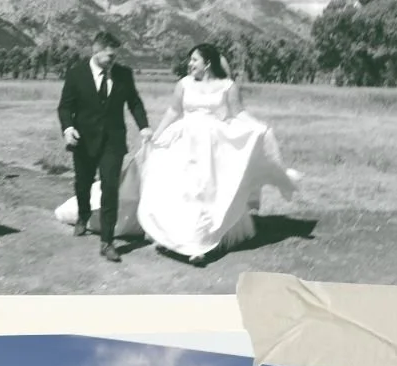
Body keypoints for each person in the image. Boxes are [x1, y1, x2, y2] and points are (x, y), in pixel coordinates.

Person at [135, 43, 298, 262]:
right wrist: (158, 134)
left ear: (207, 63)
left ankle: (201, 244)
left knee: (207, 192)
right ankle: (179, 237)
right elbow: (174, 111)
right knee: (182, 190)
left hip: (213, 146)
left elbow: (238, 113)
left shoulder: (228, 86)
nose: (190, 64)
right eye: (190, 60)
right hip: (184, 142)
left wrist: (259, 127)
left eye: (194, 60)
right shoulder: (184, 84)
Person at [56, 31, 150, 264]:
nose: (112, 60)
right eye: (108, 56)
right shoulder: (76, 73)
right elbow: (65, 107)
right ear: (95, 51)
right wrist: (68, 129)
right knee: (83, 182)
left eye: (115, 56)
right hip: (83, 141)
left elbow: (135, 103)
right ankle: (83, 215)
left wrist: (144, 127)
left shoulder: (124, 74)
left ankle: (107, 242)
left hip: (113, 142)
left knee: (110, 188)